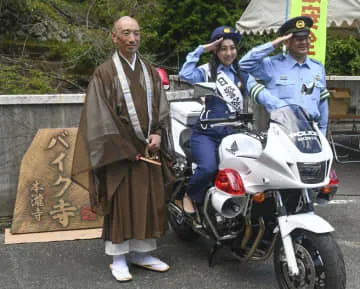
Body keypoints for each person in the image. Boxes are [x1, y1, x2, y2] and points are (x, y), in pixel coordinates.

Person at [71, 16, 174, 282]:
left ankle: (142, 253)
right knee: (122, 202)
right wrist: (123, 145)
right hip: (118, 151)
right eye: (126, 33)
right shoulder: (104, 72)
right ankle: (118, 257)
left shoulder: (150, 70)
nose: (132, 39)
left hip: (148, 149)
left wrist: (158, 133)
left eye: (136, 34)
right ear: (114, 37)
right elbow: (98, 115)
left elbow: (162, 106)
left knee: (147, 199)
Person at [179, 26, 285, 219]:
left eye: (232, 48)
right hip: (207, 133)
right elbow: (185, 74)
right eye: (223, 48)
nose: (229, 53)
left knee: (249, 170)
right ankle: (190, 195)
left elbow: (260, 93)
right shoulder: (207, 72)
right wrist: (202, 49)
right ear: (216, 51)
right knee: (209, 168)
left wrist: (283, 108)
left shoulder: (241, 73)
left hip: (234, 133)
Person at [239, 16, 330, 135]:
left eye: (306, 38)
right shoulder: (272, 65)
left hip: (312, 131)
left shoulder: (317, 67)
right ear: (287, 42)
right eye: (298, 39)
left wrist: (322, 132)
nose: (304, 42)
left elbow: (323, 102)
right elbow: (243, 64)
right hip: (283, 130)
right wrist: (275, 43)